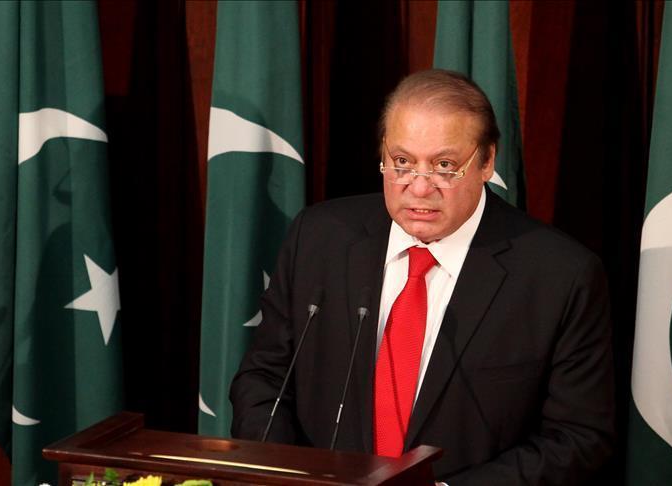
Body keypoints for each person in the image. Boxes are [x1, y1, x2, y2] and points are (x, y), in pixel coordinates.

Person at [229, 69, 614, 485]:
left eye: (444, 166)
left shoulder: (560, 275)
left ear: (486, 161)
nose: (419, 188)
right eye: (402, 163)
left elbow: (577, 437)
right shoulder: (319, 238)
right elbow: (263, 380)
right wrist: (291, 476)